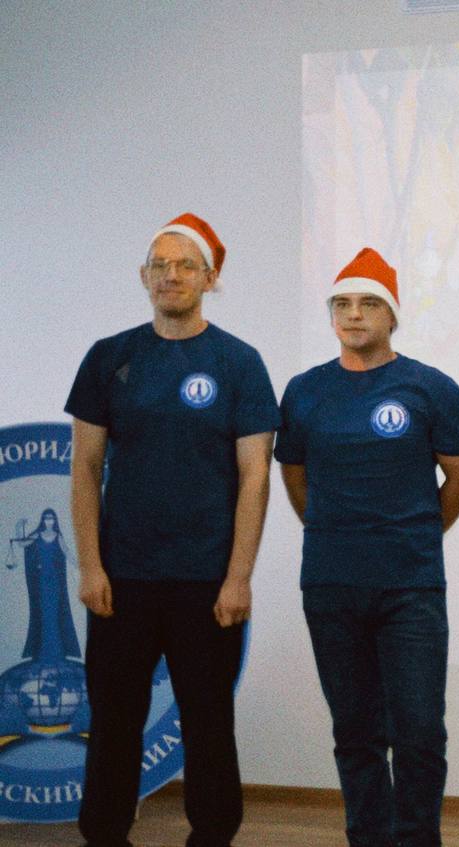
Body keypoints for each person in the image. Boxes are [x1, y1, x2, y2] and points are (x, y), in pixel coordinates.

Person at [65, 213, 278, 847]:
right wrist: (90, 566)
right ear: (143, 276)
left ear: (210, 279)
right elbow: (85, 468)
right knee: (113, 723)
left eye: (186, 265)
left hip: (206, 582)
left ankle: (212, 835)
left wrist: (238, 577)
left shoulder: (239, 362)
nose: (171, 275)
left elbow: (255, 477)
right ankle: (105, 835)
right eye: (159, 264)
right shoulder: (109, 357)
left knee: (209, 723)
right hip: (121, 580)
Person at [276, 247, 459, 847]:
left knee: (420, 732)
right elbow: (294, 475)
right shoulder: (305, 391)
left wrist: (417, 532)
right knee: (356, 733)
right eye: (342, 304)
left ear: (392, 315)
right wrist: (333, 530)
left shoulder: (431, 388)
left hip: (410, 588)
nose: (354, 314)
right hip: (330, 585)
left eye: (368, 303)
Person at [11, 509, 81, 663]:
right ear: (43, 520)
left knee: (54, 615)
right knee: (44, 615)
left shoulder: (58, 536)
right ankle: (43, 652)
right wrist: (18, 527)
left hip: (54, 582)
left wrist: (80, 565)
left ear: (55, 521)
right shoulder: (37, 535)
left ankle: (56, 652)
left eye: (51, 518)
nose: (49, 521)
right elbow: (22, 543)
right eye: (47, 518)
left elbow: (67, 552)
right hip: (41, 582)